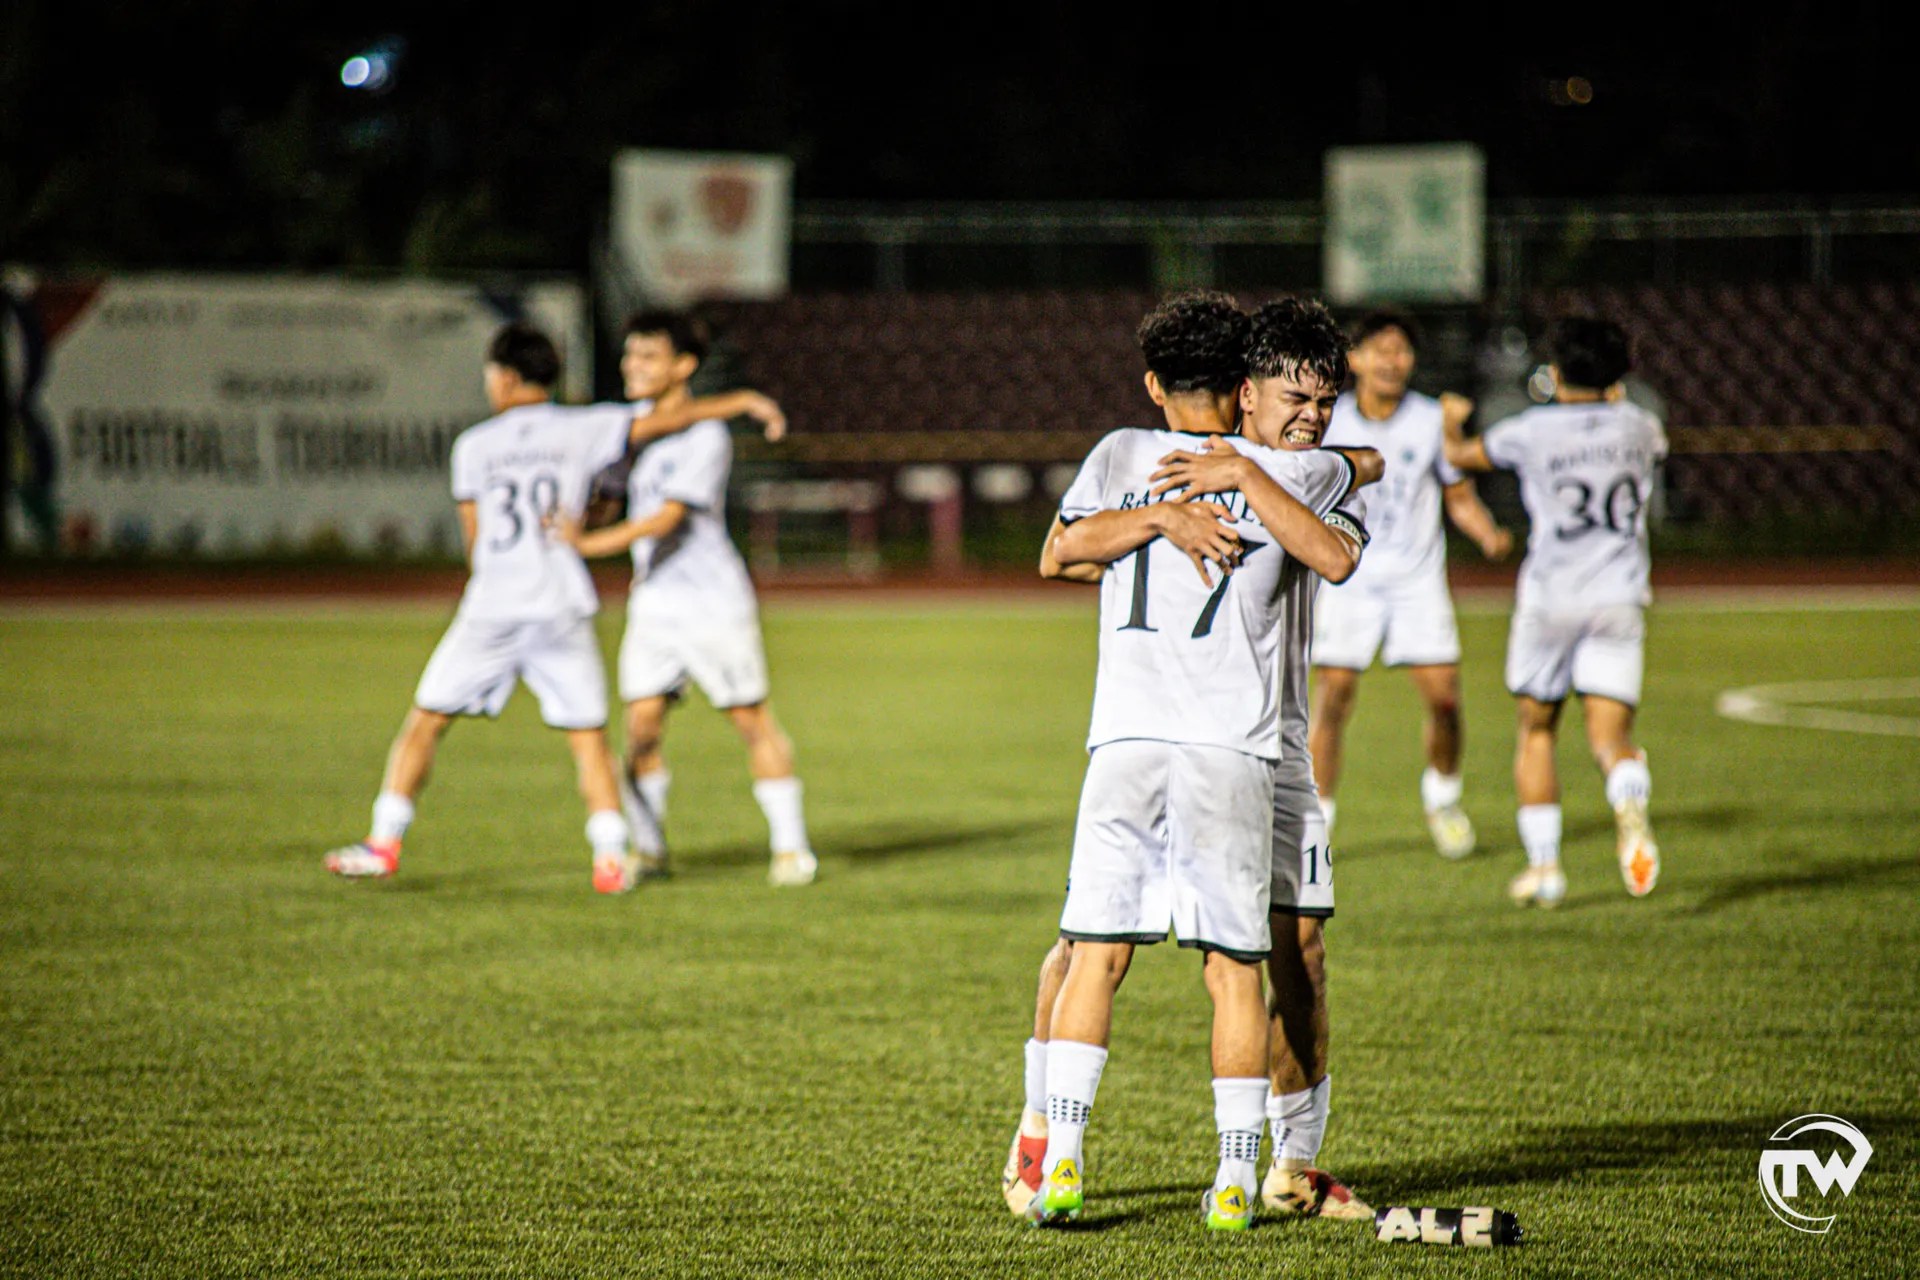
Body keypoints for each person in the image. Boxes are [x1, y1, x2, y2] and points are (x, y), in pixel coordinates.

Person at [1015, 293, 1375, 1232]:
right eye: (1291, 393)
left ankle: (1278, 1163)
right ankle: (1193, 1163)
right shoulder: (1150, 457)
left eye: (1324, 398)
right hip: (1231, 743)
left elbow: (1359, 477)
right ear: (1242, 387)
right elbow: (1061, 550)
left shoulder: (1272, 464)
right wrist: (1175, 513)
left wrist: (1223, 483)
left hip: (1209, 741)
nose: (1311, 414)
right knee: (1225, 964)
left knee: (1148, 949)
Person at [323, 322, 783, 892]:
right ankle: (610, 858)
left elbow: (475, 540)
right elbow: (667, 420)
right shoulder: (582, 427)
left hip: (495, 605)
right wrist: (739, 399)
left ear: (507, 378)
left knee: (426, 722)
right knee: (588, 736)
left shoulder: (474, 445)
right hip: (562, 600)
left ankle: (384, 842)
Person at [558, 310, 816, 887]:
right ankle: (649, 850)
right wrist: (595, 502)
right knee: (641, 730)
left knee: (750, 719)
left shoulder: (706, 436)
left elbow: (666, 519)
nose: (632, 366)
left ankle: (792, 848)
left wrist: (587, 543)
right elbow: (605, 491)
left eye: (648, 356)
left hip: (712, 602)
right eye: (629, 355)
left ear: (683, 366)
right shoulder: (625, 428)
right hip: (653, 602)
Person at [1440, 315, 1666, 906]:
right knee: (1611, 737)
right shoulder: (1643, 427)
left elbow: (1462, 455)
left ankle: (1545, 869)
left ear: (1557, 370)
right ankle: (1627, 791)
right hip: (1618, 595)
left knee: (1536, 729)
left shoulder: (1532, 430)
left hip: (1551, 597)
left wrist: (1447, 422)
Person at [1310, 309, 1511, 859]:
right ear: (1354, 359)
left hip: (1416, 580)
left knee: (1445, 699)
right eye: (1380, 349)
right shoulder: (1332, 422)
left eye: (1400, 350)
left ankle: (1443, 799)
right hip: (1348, 576)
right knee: (1331, 699)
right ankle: (1317, 820)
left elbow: (1458, 494)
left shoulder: (1429, 420)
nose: (1391, 361)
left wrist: (1487, 533)